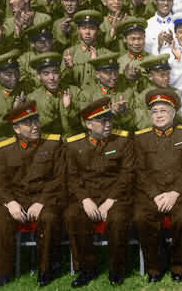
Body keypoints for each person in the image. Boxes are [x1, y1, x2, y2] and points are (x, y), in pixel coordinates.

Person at [0, 102, 65, 288]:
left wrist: (41, 202)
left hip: (45, 198)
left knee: (49, 217)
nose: (35, 126)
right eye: (28, 123)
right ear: (16, 129)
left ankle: (46, 270)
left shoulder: (54, 144)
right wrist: (10, 203)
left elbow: (59, 179)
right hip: (17, 200)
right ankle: (0, 272)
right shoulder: (4, 149)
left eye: (36, 121)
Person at [133, 89, 182, 283]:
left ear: (174, 112)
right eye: (154, 111)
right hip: (151, 194)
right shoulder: (141, 138)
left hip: (181, 193)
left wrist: (175, 193)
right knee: (140, 218)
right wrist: (155, 195)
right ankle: (155, 266)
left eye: (163, 110)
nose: (159, 115)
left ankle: (178, 264)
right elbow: (139, 171)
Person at [65, 97, 134, 287]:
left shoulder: (123, 141)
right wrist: (85, 200)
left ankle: (116, 270)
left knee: (118, 218)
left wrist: (110, 201)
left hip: (116, 197)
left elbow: (127, 174)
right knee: (73, 215)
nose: (108, 124)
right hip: (87, 196)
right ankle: (86, 269)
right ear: (88, 124)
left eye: (110, 119)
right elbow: (72, 177)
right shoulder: (74, 145)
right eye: (102, 121)